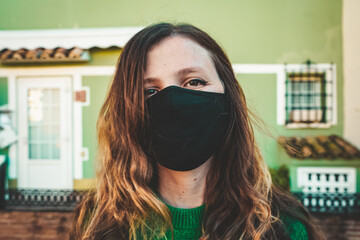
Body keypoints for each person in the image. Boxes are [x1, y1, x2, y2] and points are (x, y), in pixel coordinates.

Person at [69, 22, 324, 240]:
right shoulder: (97, 224)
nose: (173, 102)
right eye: (149, 91)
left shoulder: (283, 228)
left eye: (194, 82)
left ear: (228, 97)